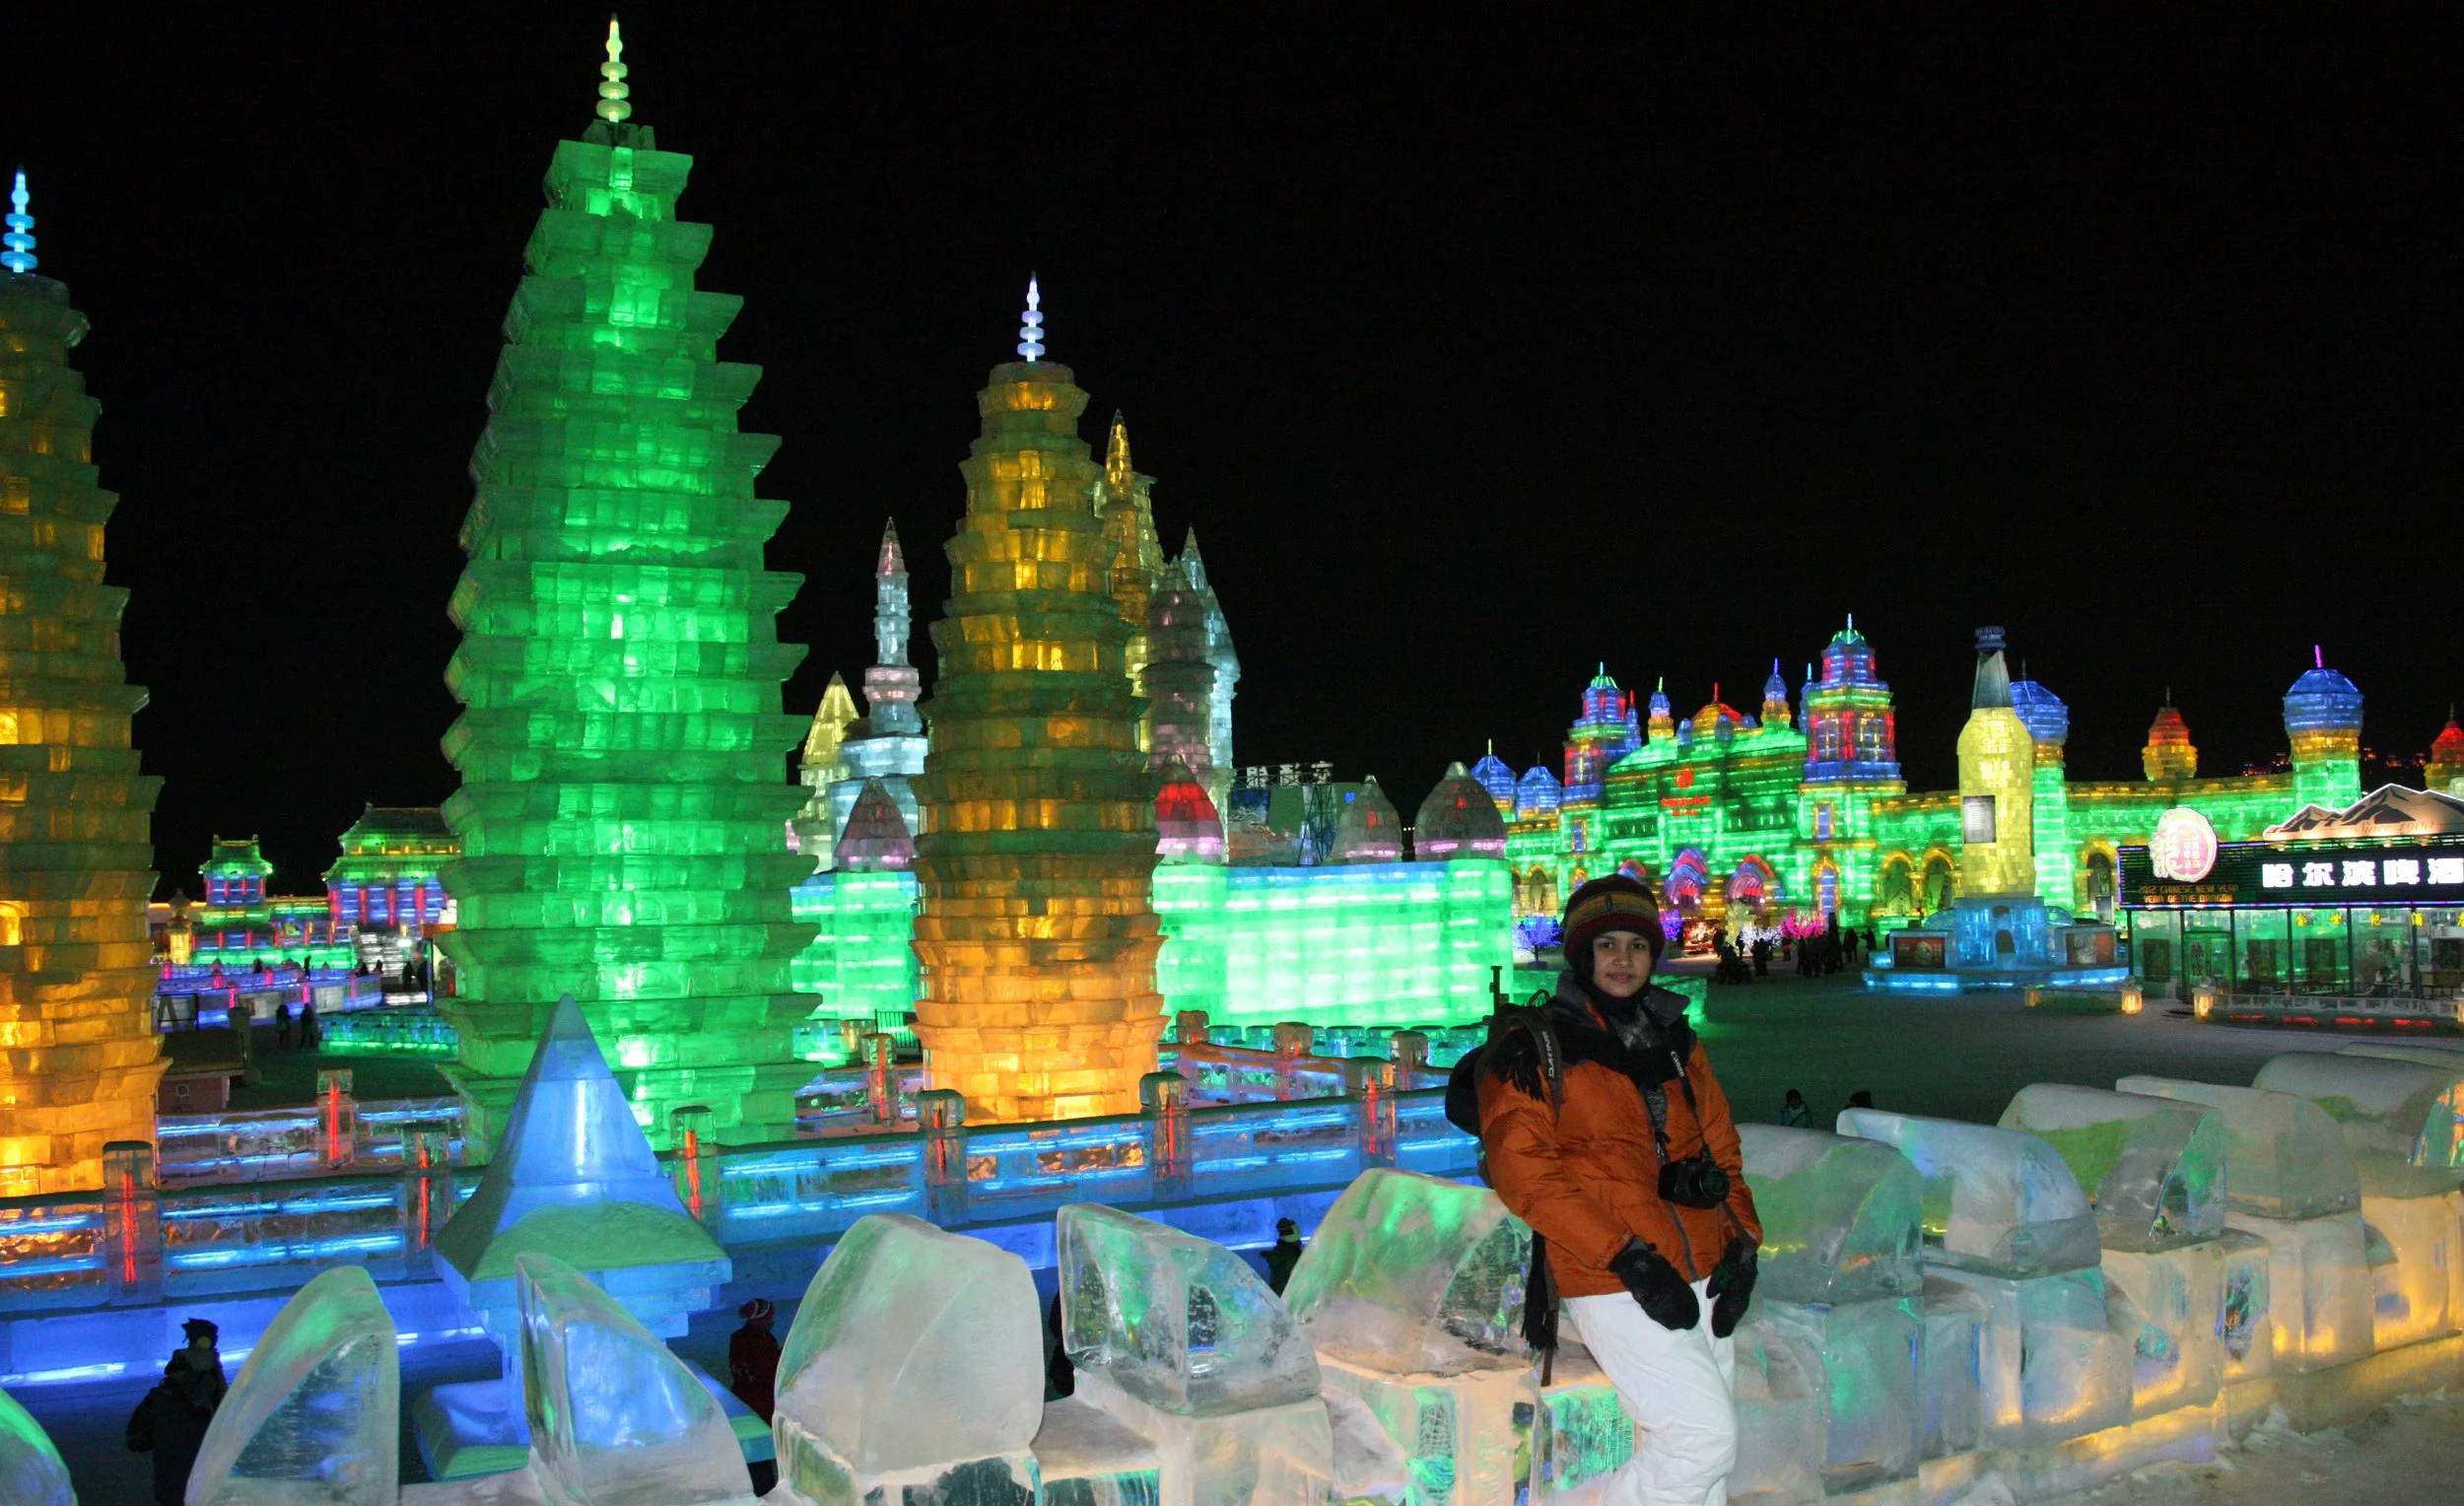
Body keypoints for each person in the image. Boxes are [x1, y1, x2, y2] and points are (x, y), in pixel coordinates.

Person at [1479, 875, 1761, 1506]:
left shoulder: (1675, 1041)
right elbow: (1525, 1171)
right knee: (1701, 1441)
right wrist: (1624, 1255)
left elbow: (1721, 1150)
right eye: (1606, 945)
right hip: (1612, 1273)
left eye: (1635, 946)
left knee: (1705, 1461)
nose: (1622, 961)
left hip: (1700, 1264)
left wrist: (1743, 1242)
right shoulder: (1536, 1046)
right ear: (1582, 955)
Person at [127, 1319, 226, 1505]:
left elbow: (135, 1440)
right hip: (204, 1486)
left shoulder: (161, 1397)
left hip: (171, 1486)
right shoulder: (212, 1400)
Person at [727, 1298, 781, 1422]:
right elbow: (766, 1370)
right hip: (760, 1399)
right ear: (764, 1320)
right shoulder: (764, 1341)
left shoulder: (737, 1337)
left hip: (740, 1394)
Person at [1263, 1217, 1305, 1294]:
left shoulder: (1278, 1252)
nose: (1299, 1241)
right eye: (1298, 1239)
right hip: (1289, 1296)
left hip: (1278, 1294)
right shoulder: (1292, 1256)